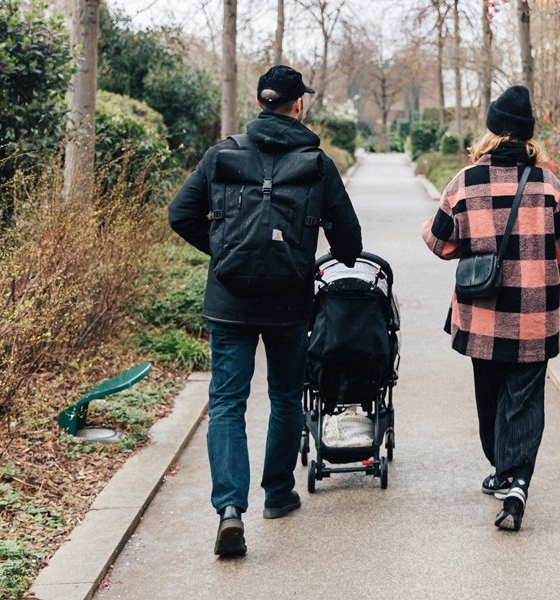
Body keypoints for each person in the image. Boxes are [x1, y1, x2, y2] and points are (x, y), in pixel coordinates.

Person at [168, 65, 363, 557]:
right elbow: (349, 242)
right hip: (288, 303)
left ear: (260, 103)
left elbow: (180, 214)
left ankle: (230, 509)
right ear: (298, 104)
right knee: (284, 396)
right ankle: (277, 493)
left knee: (228, 402)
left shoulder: (222, 154)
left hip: (229, 300)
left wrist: (223, 252)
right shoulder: (317, 163)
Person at [421, 85, 560, 531]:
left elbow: (437, 241)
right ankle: (517, 479)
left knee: (489, 397)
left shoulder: (465, 181)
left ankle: (503, 468)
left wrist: (471, 244)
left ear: (490, 132)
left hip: (483, 316)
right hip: (534, 315)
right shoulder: (549, 185)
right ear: (529, 137)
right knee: (525, 399)